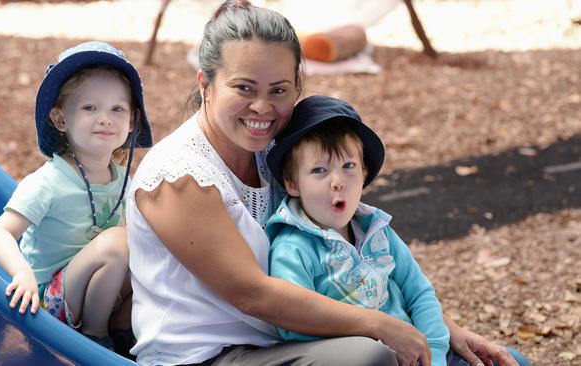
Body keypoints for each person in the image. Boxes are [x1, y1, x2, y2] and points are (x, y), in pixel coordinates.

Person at [126, 1, 529, 365]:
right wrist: (382, 326)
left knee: (505, 361)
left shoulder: (273, 154)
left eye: (279, 90)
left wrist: (442, 330)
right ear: (204, 84)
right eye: (244, 88)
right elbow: (252, 295)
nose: (263, 107)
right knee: (368, 357)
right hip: (209, 356)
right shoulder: (179, 175)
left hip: (296, 342)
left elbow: (359, 257)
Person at [0, 41, 153, 354]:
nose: (105, 118)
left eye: (117, 109)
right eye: (90, 107)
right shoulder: (50, 181)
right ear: (61, 119)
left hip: (99, 290)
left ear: (131, 122)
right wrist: (22, 273)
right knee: (119, 242)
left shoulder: (126, 183)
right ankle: (94, 338)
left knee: (154, 252)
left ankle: (126, 330)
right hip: (48, 302)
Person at [265, 95, 449, 366]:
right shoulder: (293, 248)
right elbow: (293, 324)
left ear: (363, 172)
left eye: (348, 166)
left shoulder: (377, 230)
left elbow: (418, 292)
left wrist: (436, 355)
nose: (338, 181)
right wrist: (372, 332)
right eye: (319, 170)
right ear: (292, 184)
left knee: (511, 359)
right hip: (365, 360)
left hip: (418, 353)